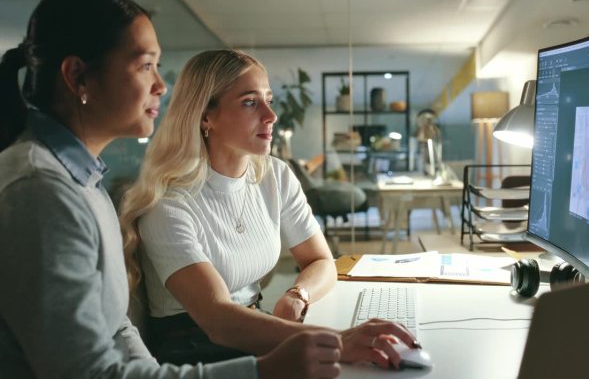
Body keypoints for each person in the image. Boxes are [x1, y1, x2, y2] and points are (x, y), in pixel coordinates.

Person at [0, 0, 346, 378]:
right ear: (78, 76)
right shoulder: (39, 192)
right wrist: (264, 370)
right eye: (145, 65)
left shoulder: (84, 182)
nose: (162, 86)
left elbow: (117, 328)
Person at [118, 49, 420, 368]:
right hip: (197, 351)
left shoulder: (274, 174)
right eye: (250, 102)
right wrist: (338, 340)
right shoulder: (168, 203)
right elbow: (218, 319)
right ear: (206, 116)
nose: (271, 115)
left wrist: (297, 295)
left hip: (253, 325)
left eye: (269, 100)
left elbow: (320, 260)